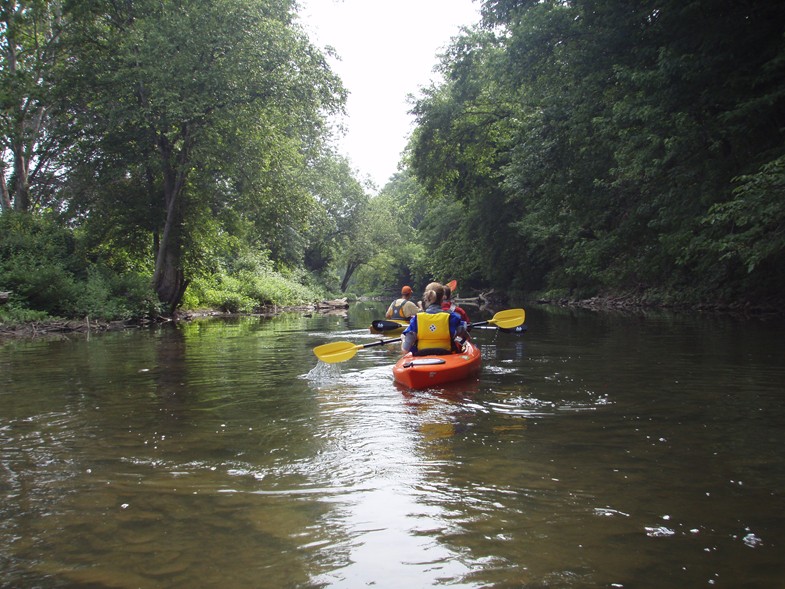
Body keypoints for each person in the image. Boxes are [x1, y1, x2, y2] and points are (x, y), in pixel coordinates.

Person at [401, 282, 469, 355]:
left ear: (426, 298)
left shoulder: (416, 319)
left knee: (403, 336)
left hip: (421, 358)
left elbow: (405, 350)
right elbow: (466, 338)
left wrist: (403, 339)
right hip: (447, 356)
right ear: (443, 297)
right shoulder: (452, 318)